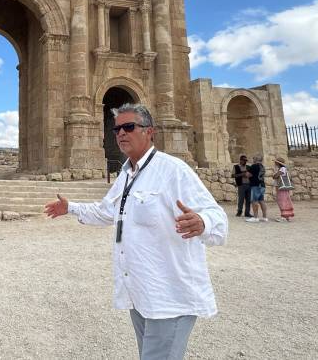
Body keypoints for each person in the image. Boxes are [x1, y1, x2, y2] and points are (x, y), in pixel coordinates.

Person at [44, 103, 228, 360]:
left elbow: (217, 216)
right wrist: (71, 208)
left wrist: (203, 222)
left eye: (129, 127)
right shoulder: (126, 174)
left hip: (169, 297)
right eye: (117, 128)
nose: (120, 133)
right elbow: (107, 212)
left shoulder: (173, 170)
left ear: (149, 131)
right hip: (140, 293)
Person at [245, 154, 268, 222]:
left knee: (254, 201)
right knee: (261, 201)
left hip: (255, 185)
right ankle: (264, 217)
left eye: (253, 158)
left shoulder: (254, 166)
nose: (253, 159)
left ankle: (255, 217)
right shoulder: (262, 166)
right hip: (262, 185)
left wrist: (247, 172)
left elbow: (248, 175)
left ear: (256, 159)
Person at [272, 157, 295, 222]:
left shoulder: (282, 169)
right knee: (284, 200)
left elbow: (275, 176)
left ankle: (284, 216)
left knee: (282, 201)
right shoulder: (282, 168)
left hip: (282, 188)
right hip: (282, 188)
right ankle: (286, 216)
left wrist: (274, 174)